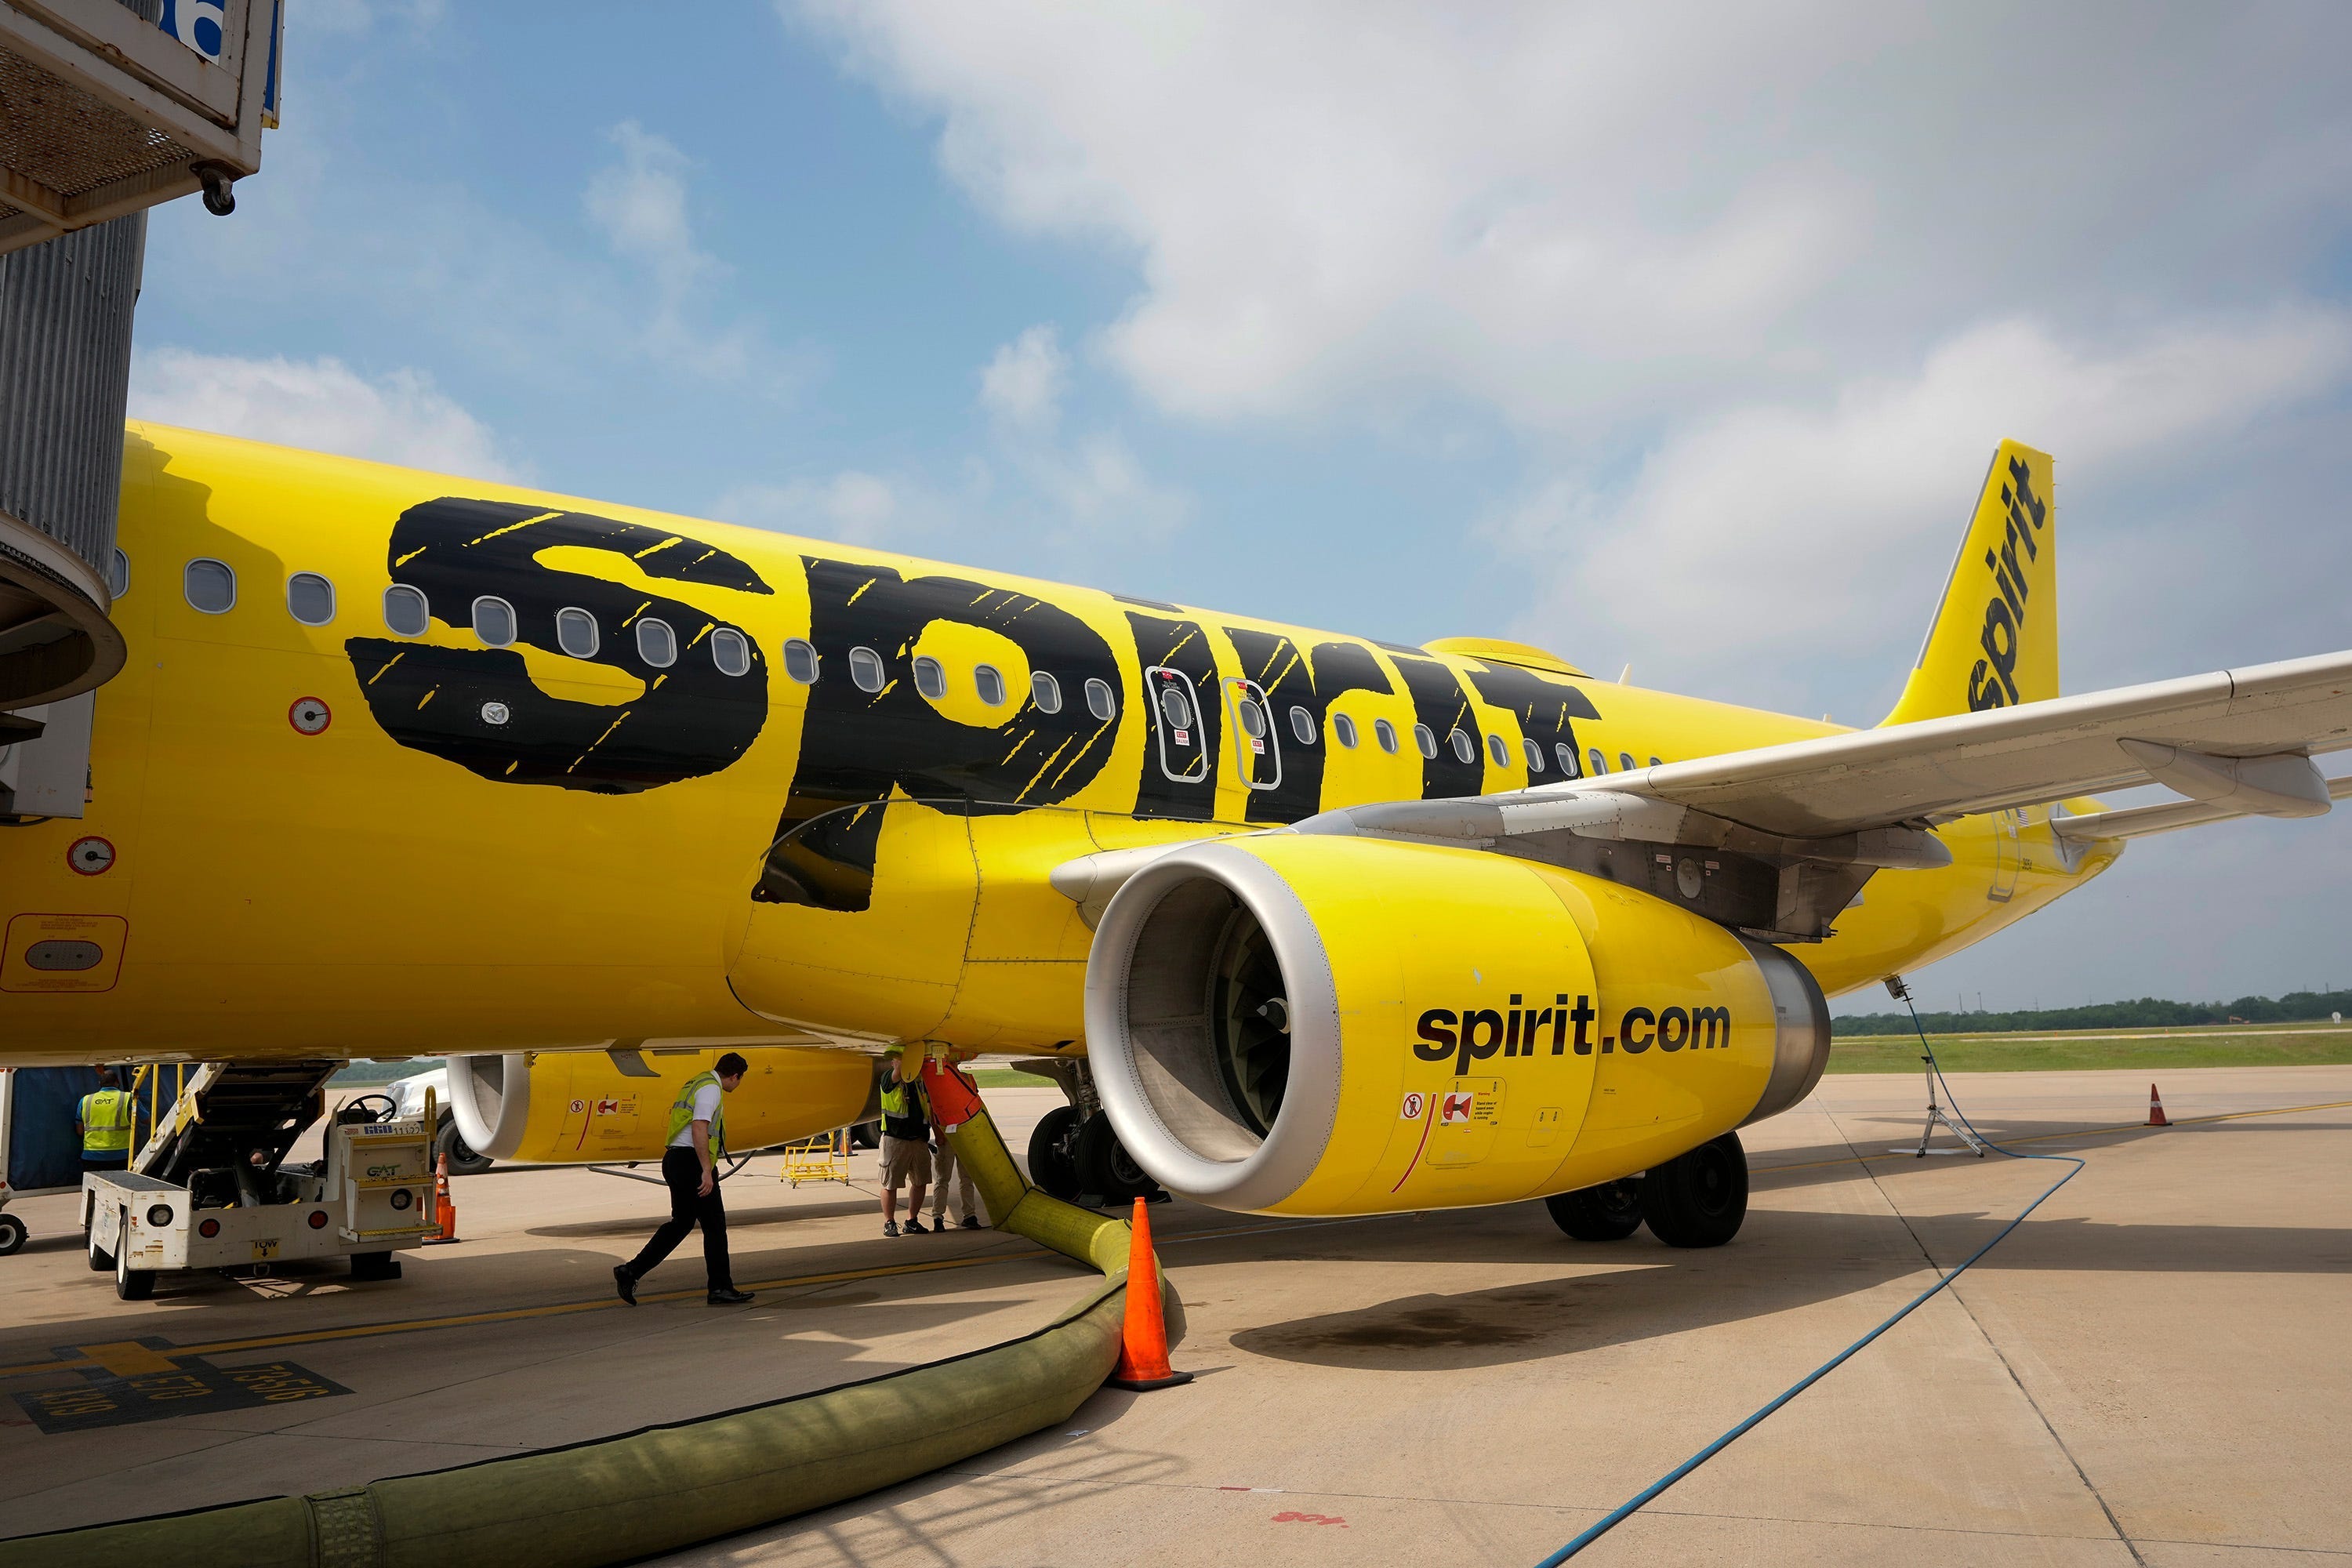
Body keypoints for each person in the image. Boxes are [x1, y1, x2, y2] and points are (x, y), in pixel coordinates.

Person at [615, 1053, 753, 1306]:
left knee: (681, 1224)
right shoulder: (711, 1090)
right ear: (735, 1076)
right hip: (692, 1163)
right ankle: (720, 1288)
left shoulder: (697, 1082)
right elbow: (699, 1126)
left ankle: (630, 1271)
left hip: (676, 1160)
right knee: (714, 1226)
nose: (737, 1085)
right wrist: (705, 1170)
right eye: (739, 1080)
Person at [877, 1051, 930, 1236]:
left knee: (921, 1181)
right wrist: (901, 1062)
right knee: (890, 1183)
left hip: (918, 1139)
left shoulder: (919, 1081)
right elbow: (896, 1075)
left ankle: (912, 1220)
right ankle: (889, 1222)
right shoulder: (889, 1078)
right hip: (895, 1139)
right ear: (893, 1063)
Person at [75, 1067, 133, 1173]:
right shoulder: (128, 1097)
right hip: (121, 1155)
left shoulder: (85, 1100)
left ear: (99, 1083)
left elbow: (80, 1131)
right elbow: (146, 1120)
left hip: (91, 1156)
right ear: (117, 1082)